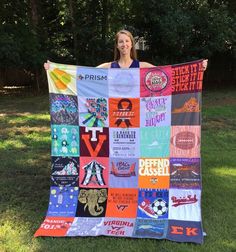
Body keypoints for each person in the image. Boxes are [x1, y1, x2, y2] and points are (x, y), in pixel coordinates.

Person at [44, 29, 208, 70]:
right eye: (120, 42)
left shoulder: (141, 66)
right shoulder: (109, 67)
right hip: (115, 114)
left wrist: (196, 68)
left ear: (131, 44)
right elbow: (83, 74)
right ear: (117, 45)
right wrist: (54, 69)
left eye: (127, 41)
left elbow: (169, 73)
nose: (124, 44)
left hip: (138, 114)